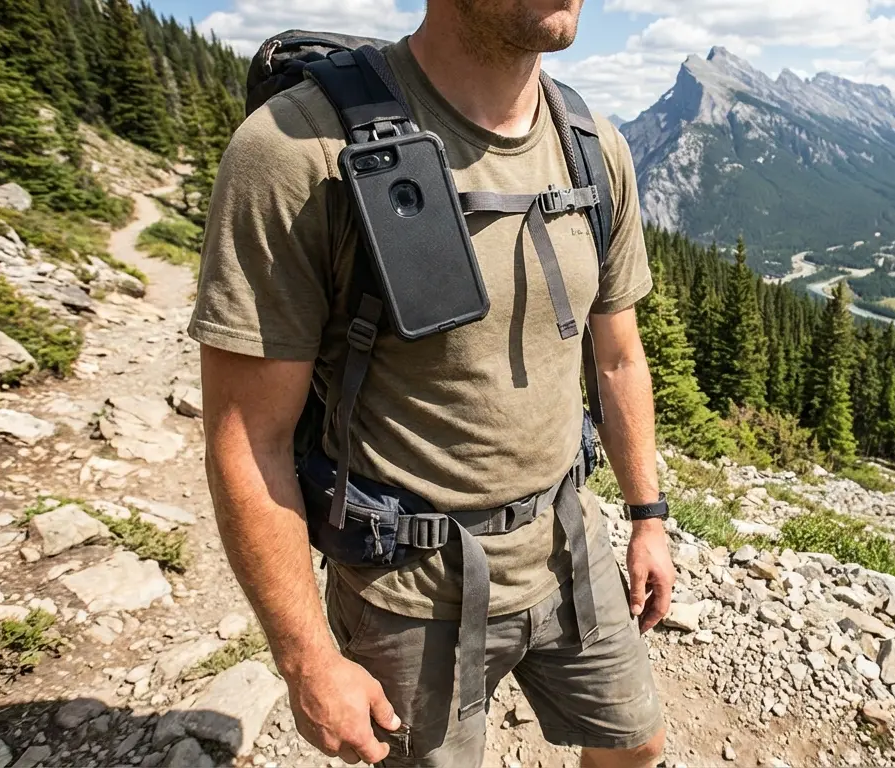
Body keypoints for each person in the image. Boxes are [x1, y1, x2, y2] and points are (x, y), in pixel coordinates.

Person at [188, 0, 674, 766]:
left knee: (636, 746)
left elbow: (617, 358)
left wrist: (648, 517)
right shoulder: (294, 151)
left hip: (568, 549)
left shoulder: (592, 147)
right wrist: (306, 659)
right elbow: (250, 438)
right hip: (407, 589)